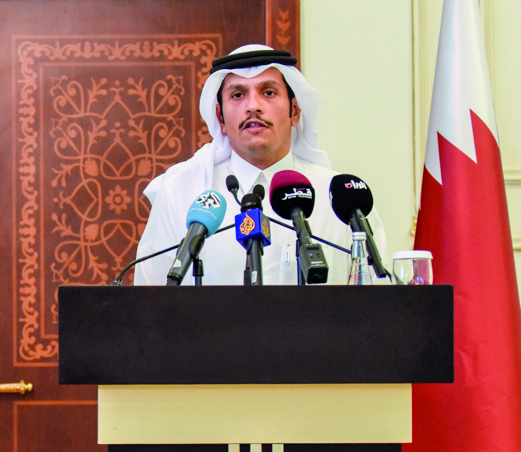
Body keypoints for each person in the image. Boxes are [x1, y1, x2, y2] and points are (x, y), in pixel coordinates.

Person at [133, 45, 387, 286]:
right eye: (238, 95)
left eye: (268, 93)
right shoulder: (180, 193)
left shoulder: (343, 199)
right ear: (220, 118)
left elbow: (380, 296)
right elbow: (151, 299)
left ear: (295, 111)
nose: (253, 106)